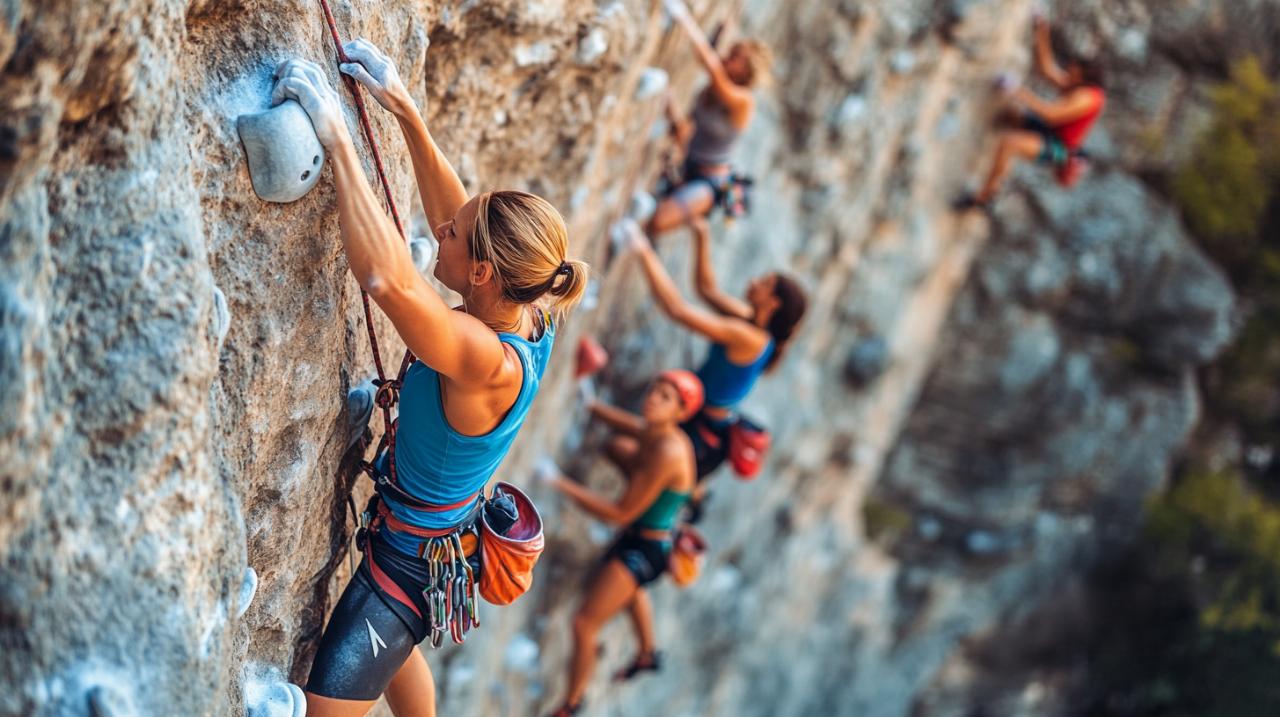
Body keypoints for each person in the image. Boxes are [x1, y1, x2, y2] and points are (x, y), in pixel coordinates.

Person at [272, 38, 587, 717]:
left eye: (450, 234)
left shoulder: (483, 358)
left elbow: (388, 279)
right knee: (399, 651)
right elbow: (466, 220)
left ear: (480, 275)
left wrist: (338, 140)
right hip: (441, 540)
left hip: (408, 569)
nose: (439, 226)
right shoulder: (532, 311)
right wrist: (406, 112)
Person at [543, 370, 703, 717]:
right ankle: (648, 652)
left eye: (665, 397)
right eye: (653, 390)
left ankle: (571, 704)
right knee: (617, 445)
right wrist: (592, 404)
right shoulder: (662, 432)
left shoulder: (667, 451)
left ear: (680, 412)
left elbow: (620, 513)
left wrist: (560, 483)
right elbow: (633, 427)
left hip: (643, 548)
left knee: (584, 624)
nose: (652, 398)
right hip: (647, 538)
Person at [617, 218, 806, 503]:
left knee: (638, 472)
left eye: (764, 283)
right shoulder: (750, 324)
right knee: (627, 453)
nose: (754, 282)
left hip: (698, 425)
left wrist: (641, 248)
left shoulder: (749, 337)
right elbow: (707, 289)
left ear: (773, 303)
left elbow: (678, 310)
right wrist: (701, 234)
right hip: (701, 417)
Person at [645, 0, 772, 239]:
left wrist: (683, 18)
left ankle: (696, 220)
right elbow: (686, 130)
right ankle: (686, 206)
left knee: (657, 223)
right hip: (689, 165)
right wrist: (667, 101)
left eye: (735, 56)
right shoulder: (709, 93)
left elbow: (714, 71)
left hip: (711, 181)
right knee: (653, 220)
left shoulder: (743, 102)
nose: (725, 56)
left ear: (746, 71)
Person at [955, 16, 1106, 209]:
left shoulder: (1088, 97)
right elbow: (1047, 70)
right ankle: (985, 154)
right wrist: (1041, 32)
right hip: (1049, 130)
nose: (1067, 72)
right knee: (1009, 114)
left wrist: (1019, 91)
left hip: (1059, 147)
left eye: (1072, 70)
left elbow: (1051, 114)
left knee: (1010, 143)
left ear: (1082, 74)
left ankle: (985, 196)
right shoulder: (1076, 85)